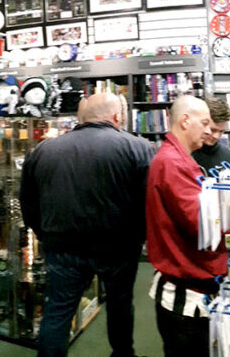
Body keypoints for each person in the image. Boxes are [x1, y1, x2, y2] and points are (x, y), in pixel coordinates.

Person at [20, 93, 155, 357]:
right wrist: (139, 237)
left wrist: (45, 234)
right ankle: (122, 354)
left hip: (62, 246)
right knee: (120, 305)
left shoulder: (44, 150)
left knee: (57, 313)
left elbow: (28, 202)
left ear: (80, 118)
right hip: (119, 247)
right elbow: (149, 200)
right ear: (117, 117)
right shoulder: (138, 147)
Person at [146, 96, 225, 357]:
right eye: (204, 123)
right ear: (184, 121)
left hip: (189, 285)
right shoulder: (174, 163)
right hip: (184, 292)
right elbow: (201, 224)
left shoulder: (177, 160)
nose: (208, 131)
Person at [192, 98, 230, 177]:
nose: (217, 136)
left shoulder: (227, 155)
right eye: (213, 130)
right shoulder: (186, 151)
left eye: (221, 131)